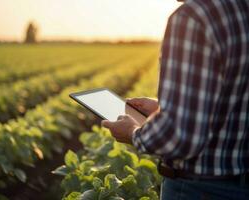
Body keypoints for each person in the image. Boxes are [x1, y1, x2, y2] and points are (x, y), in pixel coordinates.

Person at [102, 0, 249, 199]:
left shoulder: (194, 16)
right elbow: (234, 101)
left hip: (197, 189)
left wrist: (133, 133)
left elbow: (181, 137)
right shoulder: (240, 9)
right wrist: (164, 109)